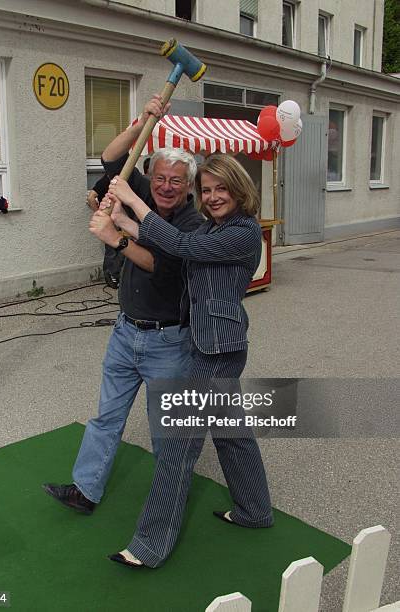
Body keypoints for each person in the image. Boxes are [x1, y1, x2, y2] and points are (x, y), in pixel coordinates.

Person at [91, 153, 274, 567]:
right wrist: (122, 224)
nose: (211, 197)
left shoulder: (243, 233)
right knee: (232, 435)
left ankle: (149, 547)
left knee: (176, 448)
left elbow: (181, 244)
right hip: (212, 343)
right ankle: (255, 510)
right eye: (206, 190)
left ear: (239, 188)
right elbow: (176, 251)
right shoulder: (217, 228)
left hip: (215, 349)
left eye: (220, 189)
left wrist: (132, 202)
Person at [43, 95, 203, 514]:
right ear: (153, 177)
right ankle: (85, 491)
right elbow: (110, 157)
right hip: (125, 330)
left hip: (168, 342)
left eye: (177, 181)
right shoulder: (146, 191)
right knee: (105, 418)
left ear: (189, 186)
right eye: (162, 177)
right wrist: (143, 121)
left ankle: (170, 500)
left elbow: (160, 265)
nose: (167, 186)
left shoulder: (191, 223)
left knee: (165, 431)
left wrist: (116, 237)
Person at [87, 174, 124, 289]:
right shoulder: (108, 179)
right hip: (111, 219)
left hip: (122, 218)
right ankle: (111, 276)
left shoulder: (120, 179)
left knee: (120, 248)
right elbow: (91, 197)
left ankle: (116, 275)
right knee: (112, 250)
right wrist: (99, 213)